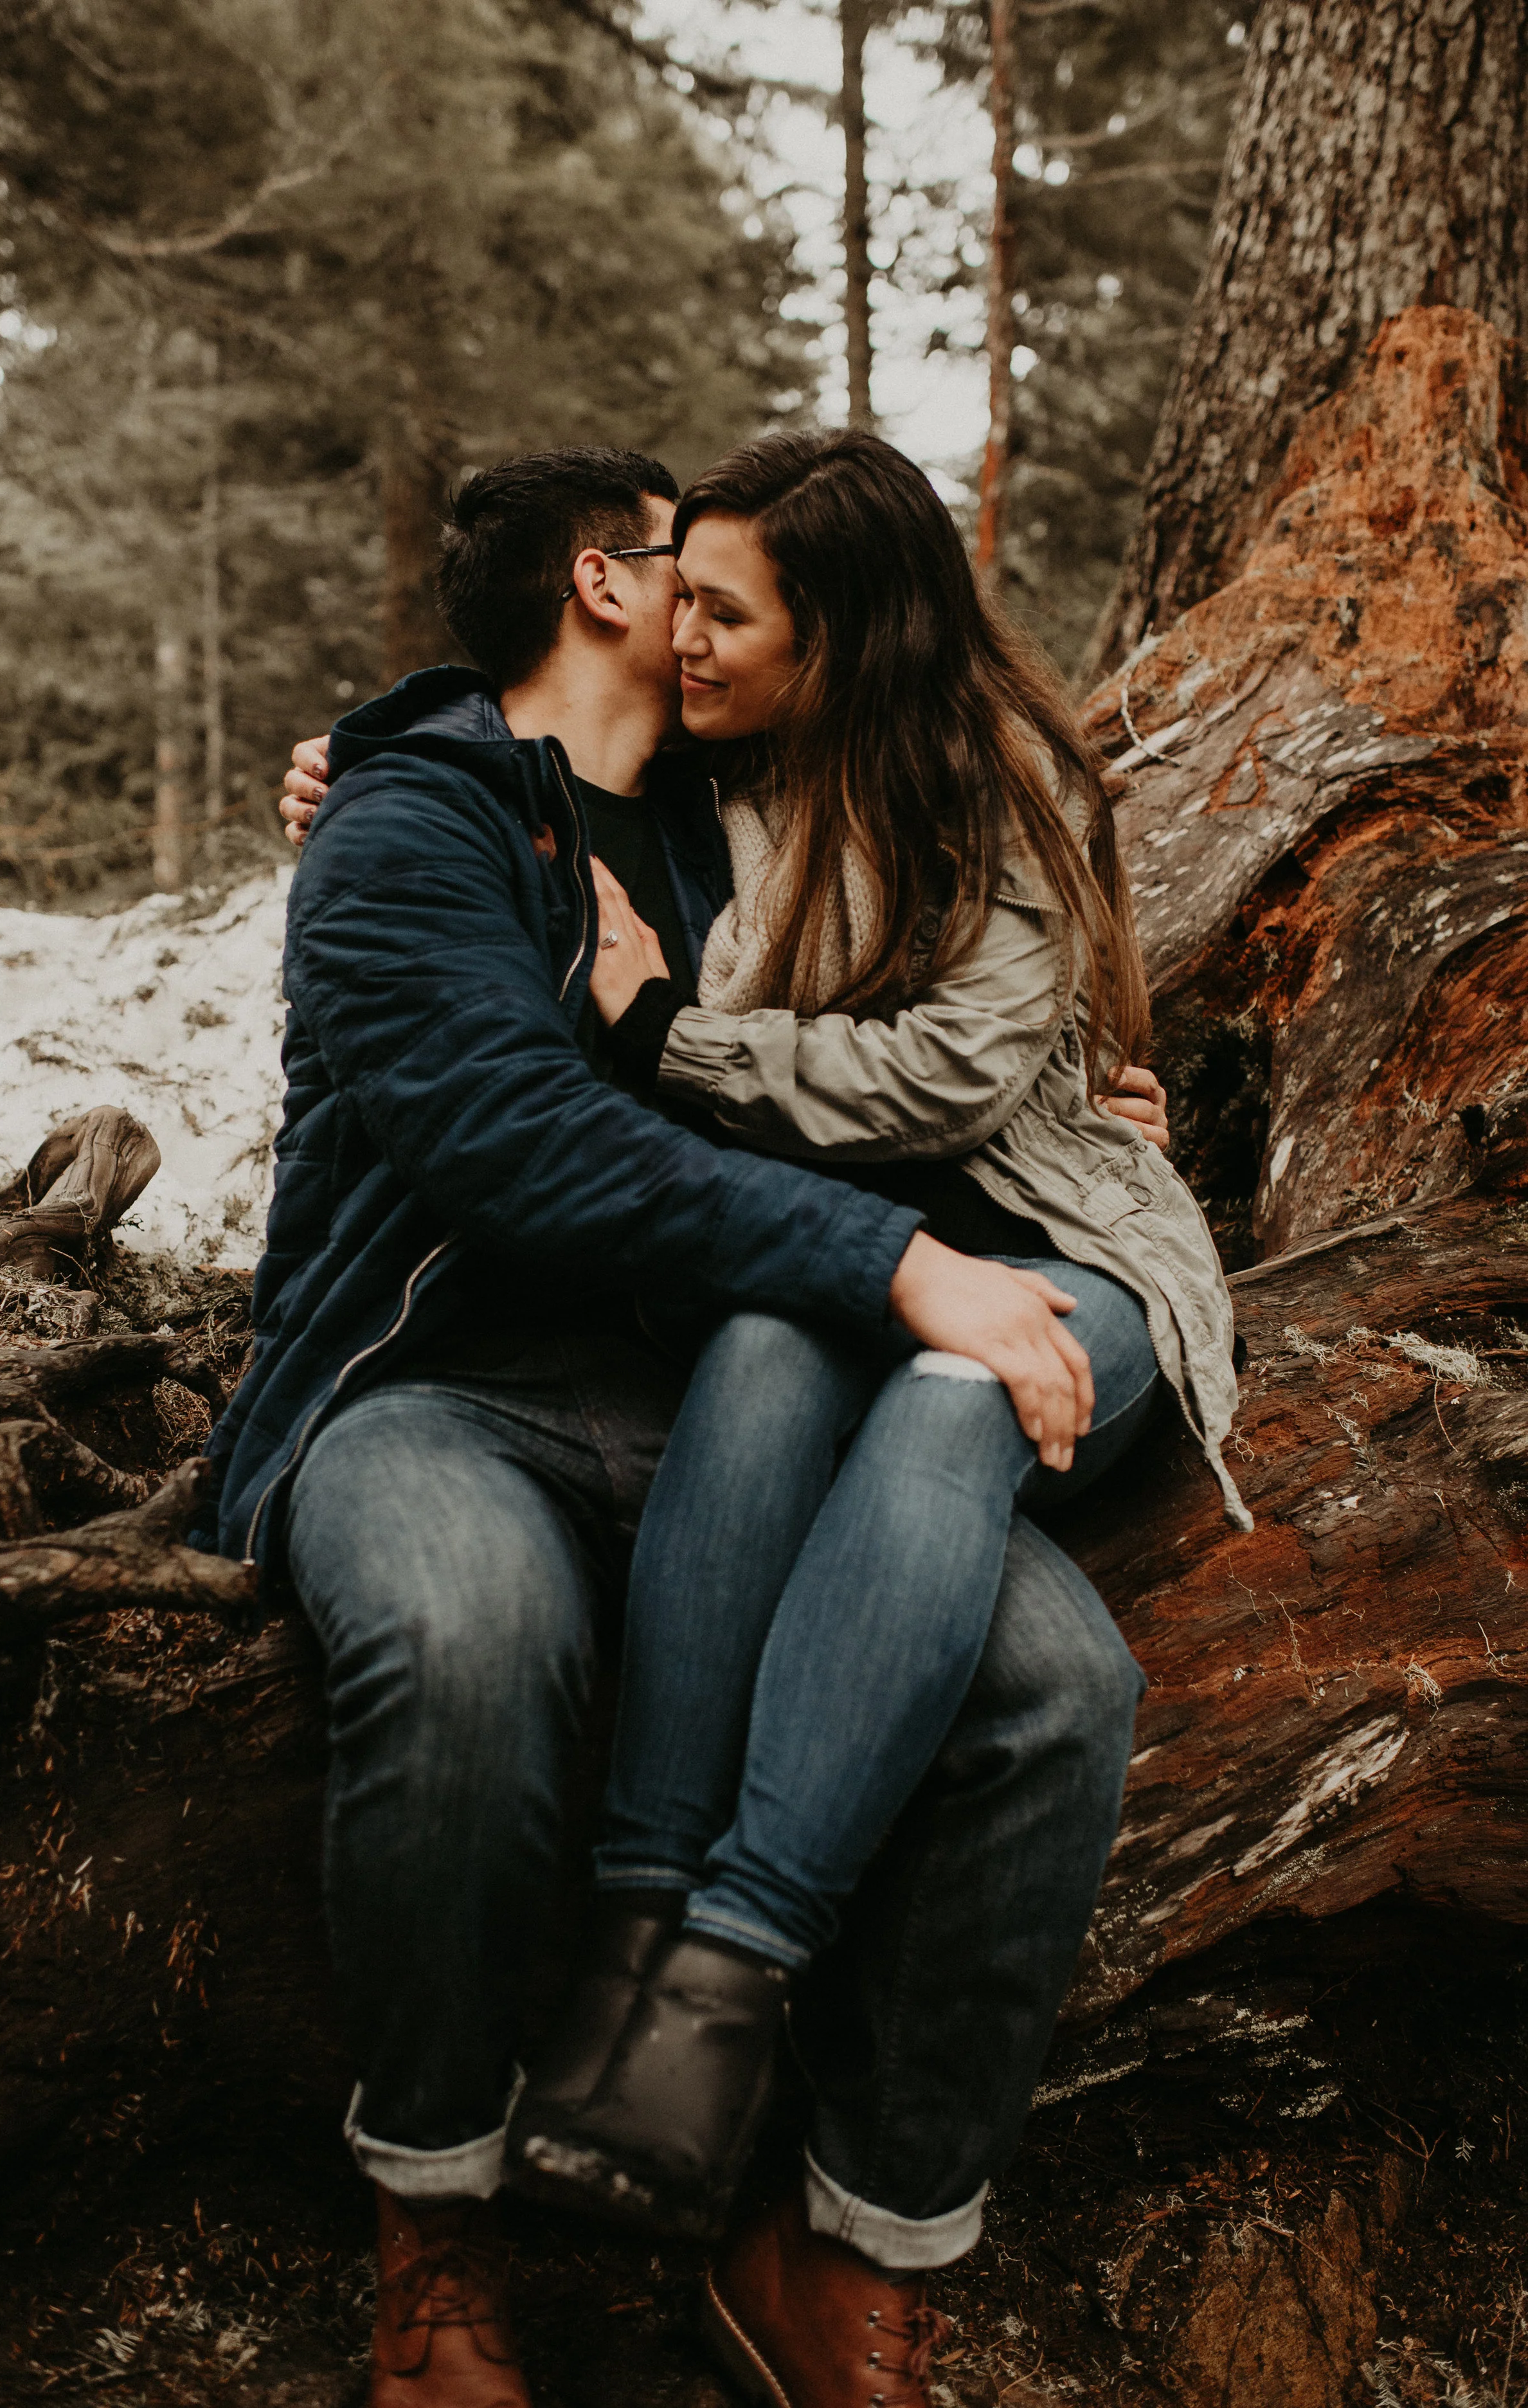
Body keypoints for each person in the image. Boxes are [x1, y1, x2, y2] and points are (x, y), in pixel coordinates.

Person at [253, 440, 1176, 2408]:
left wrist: (1075, 1111)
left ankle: (852, 2237)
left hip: (733, 1393)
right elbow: (524, 1142)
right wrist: (899, 1269)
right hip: (434, 1390)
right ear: (609, 585)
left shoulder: (729, 800)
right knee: (467, 1639)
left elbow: (910, 996)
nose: (715, 618)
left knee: (1053, 1695)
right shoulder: (414, 827)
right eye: (689, 573)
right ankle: (437, 2229)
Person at [486, 433, 1246, 2289]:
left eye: (726, 612)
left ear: (842, 634)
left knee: (952, 1391)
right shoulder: (709, 763)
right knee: (767, 1346)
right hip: (827, 1266)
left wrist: (673, 1034)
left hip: (1057, 1260)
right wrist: (357, 766)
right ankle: (636, 1946)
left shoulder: (994, 789)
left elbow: (942, 1085)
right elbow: (489, 736)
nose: (685, 638)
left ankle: (723, 1987)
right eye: (683, 599)